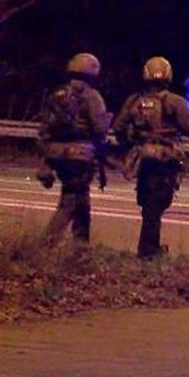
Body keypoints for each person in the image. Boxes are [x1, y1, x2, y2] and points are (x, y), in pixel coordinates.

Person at [112, 56, 189, 259]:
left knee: (147, 202)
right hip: (166, 159)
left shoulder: (134, 100)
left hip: (143, 157)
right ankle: (148, 250)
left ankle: (150, 246)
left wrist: (131, 144)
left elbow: (118, 128)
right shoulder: (174, 101)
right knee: (158, 203)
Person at [37, 52, 111, 243]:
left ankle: (81, 248)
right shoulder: (91, 96)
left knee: (82, 202)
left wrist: (47, 158)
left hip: (57, 154)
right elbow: (100, 128)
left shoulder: (56, 95)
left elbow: (45, 128)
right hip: (80, 156)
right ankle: (45, 245)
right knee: (69, 202)